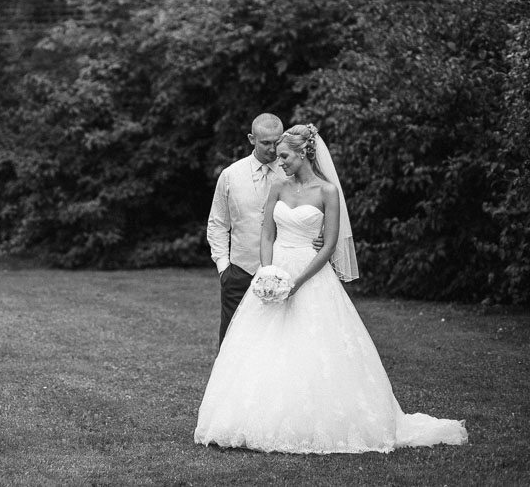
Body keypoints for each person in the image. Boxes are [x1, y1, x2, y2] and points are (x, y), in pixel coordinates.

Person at [193, 124, 468, 454]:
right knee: (258, 344)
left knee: (313, 344)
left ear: (303, 153)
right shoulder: (278, 184)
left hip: (311, 275)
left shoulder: (327, 192)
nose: (279, 163)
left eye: (284, 156)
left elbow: (328, 246)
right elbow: (266, 234)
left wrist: (296, 283)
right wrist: (268, 272)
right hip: (275, 267)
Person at [206, 113, 284, 346]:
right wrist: (223, 267)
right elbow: (217, 223)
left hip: (283, 272)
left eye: (277, 142)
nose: (273, 149)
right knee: (232, 343)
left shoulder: (291, 171)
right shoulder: (230, 175)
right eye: (266, 142)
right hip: (239, 272)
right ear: (252, 139)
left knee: (277, 342)